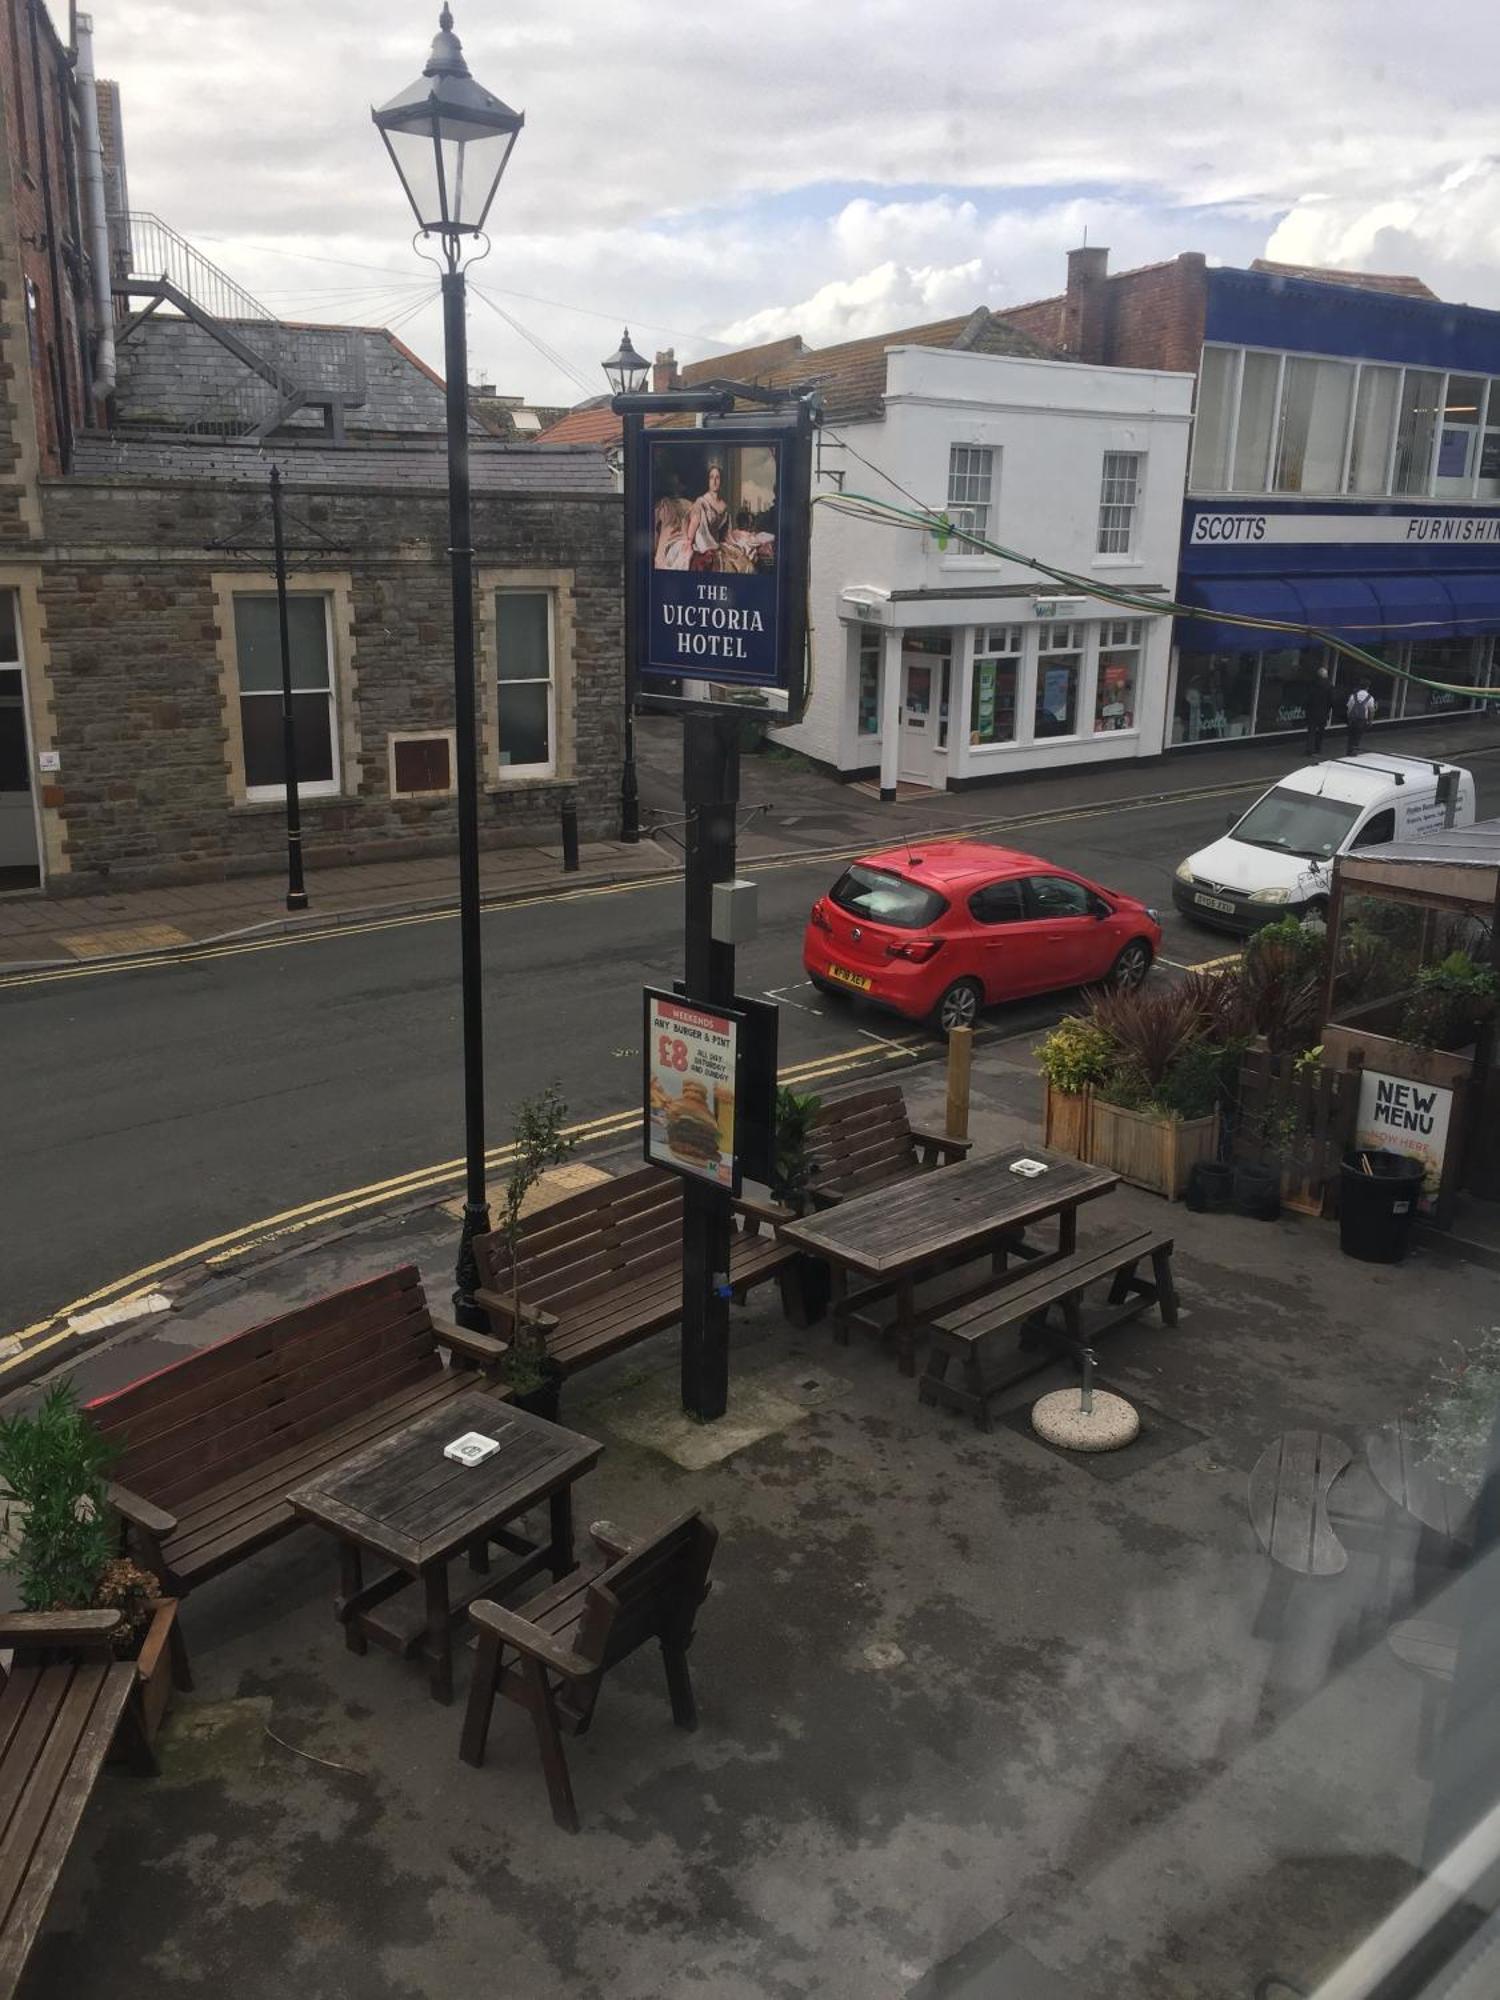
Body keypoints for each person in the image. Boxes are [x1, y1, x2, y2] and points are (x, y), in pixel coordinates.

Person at [1304, 664, 1333, 758]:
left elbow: (1308, 698)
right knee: (1321, 732)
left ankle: (1309, 750)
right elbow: (1331, 700)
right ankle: (1318, 749)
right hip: (1323, 712)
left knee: (1311, 731)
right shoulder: (1329, 686)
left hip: (1312, 712)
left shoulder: (1313, 684)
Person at [1346, 684, 1376, 756]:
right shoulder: (1370, 698)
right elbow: (1371, 711)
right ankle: (1354, 751)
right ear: (1367, 688)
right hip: (1362, 720)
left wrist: (1348, 718)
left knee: (1351, 736)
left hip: (1352, 719)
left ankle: (1349, 751)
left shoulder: (1353, 696)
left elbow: (1349, 707)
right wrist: (1370, 721)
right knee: (1358, 736)